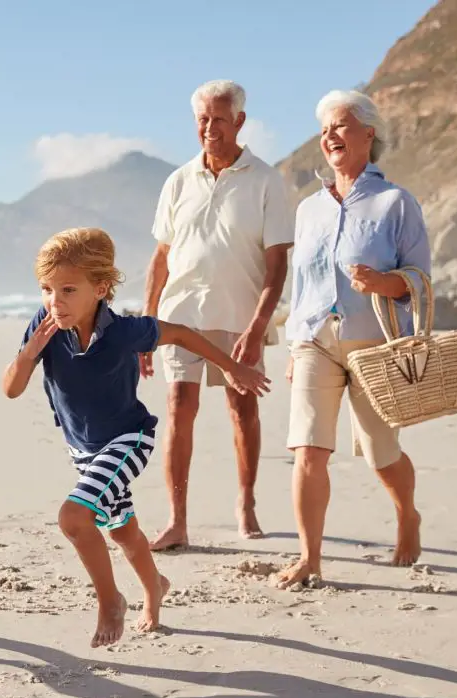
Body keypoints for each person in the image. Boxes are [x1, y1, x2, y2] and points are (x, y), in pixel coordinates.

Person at [3, 228, 270, 648]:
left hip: (129, 439)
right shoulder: (46, 325)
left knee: (74, 517)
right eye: (46, 289)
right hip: (83, 450)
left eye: (68, 289)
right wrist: (30, 350)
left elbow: (181, 333)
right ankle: (155, 589)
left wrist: (233, 368)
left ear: (101, 288)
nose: (56, 300)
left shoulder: (125, 331)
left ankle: (111, 601)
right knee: (123, 531)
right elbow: (11, 388)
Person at [279, 90, 431, 589]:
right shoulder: (309, 210)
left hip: (375, 345)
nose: (330, 136)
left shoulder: (395, 203)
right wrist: (292, 344)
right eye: (325, 130)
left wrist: (383, 283)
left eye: (340, 126)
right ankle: (310, 557)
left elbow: (419, 279)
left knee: (379, 450)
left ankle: (407, 514)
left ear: (369, 134)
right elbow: (299, 285)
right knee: (308, 450)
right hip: (314, 342)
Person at [142, 79, 294, 549]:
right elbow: (161, 257)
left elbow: (277, 266)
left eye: (219, 119)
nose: (210, 128)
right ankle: (177, 518)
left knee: (241, 408)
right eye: (203, 120)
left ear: (240, 122)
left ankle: (246, 503)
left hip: (239, 315)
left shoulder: (266, 181)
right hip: (180, 315)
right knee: (178, 408)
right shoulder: (178, 180)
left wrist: (257, 328)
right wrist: (146, 324)